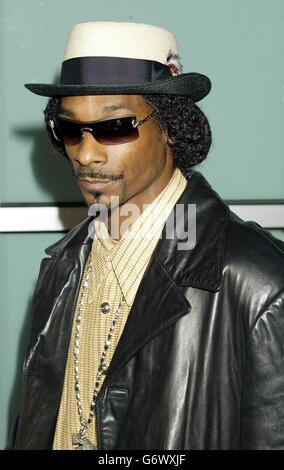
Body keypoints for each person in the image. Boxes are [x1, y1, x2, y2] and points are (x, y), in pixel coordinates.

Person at [7, 21, 284, 450]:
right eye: (69, 130)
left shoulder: (258, 283)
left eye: (115, 126)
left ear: (171, 126)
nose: (86, 153)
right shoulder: (61, 266)